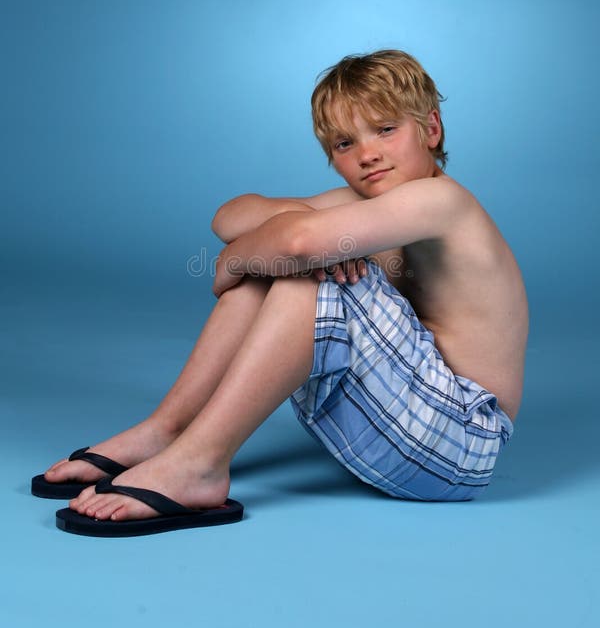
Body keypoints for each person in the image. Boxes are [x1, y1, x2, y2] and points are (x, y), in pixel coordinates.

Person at [33, 49, 528, 536]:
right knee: (297, 258)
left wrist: (237, 259)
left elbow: (296, 243)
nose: (367, 154)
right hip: (408, 432)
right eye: (344, 143)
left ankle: (199, 463)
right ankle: (168, 429)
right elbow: (230, 216)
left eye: (385, 129)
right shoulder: (368, 204)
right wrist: (264, 247)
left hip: (461, 441)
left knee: (306, 268)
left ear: (431, 128)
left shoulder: (442, 200)